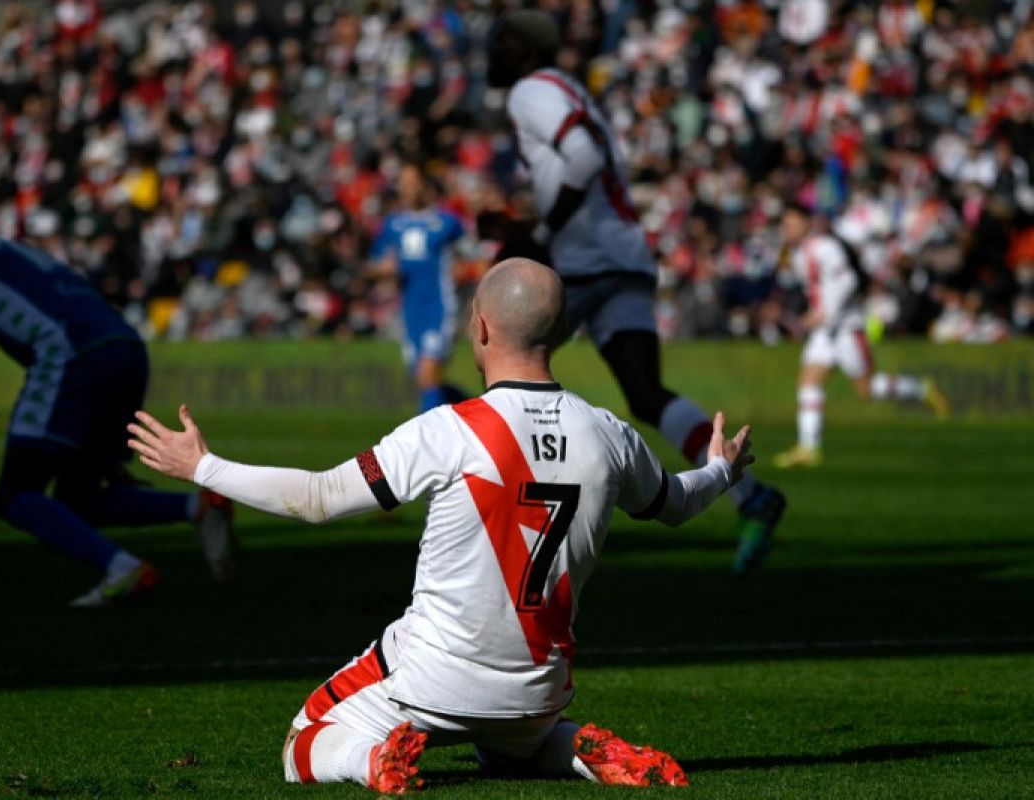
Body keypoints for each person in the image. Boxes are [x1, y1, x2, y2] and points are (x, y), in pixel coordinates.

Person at [128, 258, 754, 794]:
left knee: (304, 742)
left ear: (479, 328)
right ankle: (579, 752)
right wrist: (721, 471)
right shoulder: (609, 432)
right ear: (560, 332)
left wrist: (203, 466)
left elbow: (318, 498)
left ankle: (375, 760)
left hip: (433, 679)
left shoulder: (448, 430)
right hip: (538, 690)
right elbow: (675, 502)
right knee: (513, 752)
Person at [484, 10, 783, 574]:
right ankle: (751, 495)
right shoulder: (567, 89)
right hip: (624, 253)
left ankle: (499, 516)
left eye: (503, 44)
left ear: (524, 50)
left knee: (501, 360)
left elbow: (583, 159)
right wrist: (523, 227)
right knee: (646, 394)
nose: (492, 54)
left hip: (588, 258)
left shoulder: (530, 89)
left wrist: (541, 234)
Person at [0, 202, 235, 606]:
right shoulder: (4, 247)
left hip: (73, 353)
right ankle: (200, 505)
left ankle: (123, 568)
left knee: (14, 493)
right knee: (78, 495)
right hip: (126, 347)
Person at [773, 203, 950, 467]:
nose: (786, 230)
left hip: (846, 327)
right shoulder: (797, 254)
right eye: (784, 225)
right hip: (825, 331)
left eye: (791, 224)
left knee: (867, 389)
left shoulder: (825, 247)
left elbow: (848, 281)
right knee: (809, 380)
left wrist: (824, 312)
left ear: (807, 223)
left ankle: (920, 389)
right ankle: (808, 448)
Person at [369, 162, 469, 412]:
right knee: (426, 381)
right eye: (403, 183)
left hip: (439, 307)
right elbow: (374, 265)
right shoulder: (393, 225)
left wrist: (464, 271)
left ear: (425, 186)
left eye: (412, 182)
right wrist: (383, 269)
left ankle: (425, 442)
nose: (407, 188)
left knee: (428, 373)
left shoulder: (447, 222)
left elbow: (473, 256)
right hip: (411, 312)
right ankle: (477, 408)